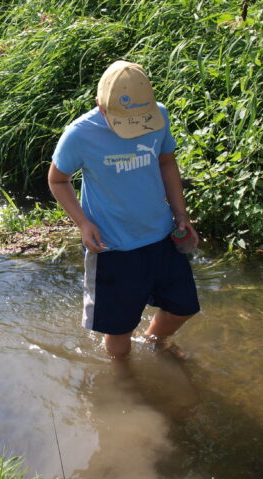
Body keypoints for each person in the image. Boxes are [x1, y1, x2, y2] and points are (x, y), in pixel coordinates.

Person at [48, 60, 200, 359]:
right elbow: (57, 179)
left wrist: (180, 213)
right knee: (118, 330)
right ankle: (124, 382)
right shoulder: (80, 134)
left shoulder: (158, 117)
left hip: (161, 235)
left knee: (183, 307)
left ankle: (153, 340)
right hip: (112, 246)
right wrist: (82, 223)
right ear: (99, 104)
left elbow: (166, 161)